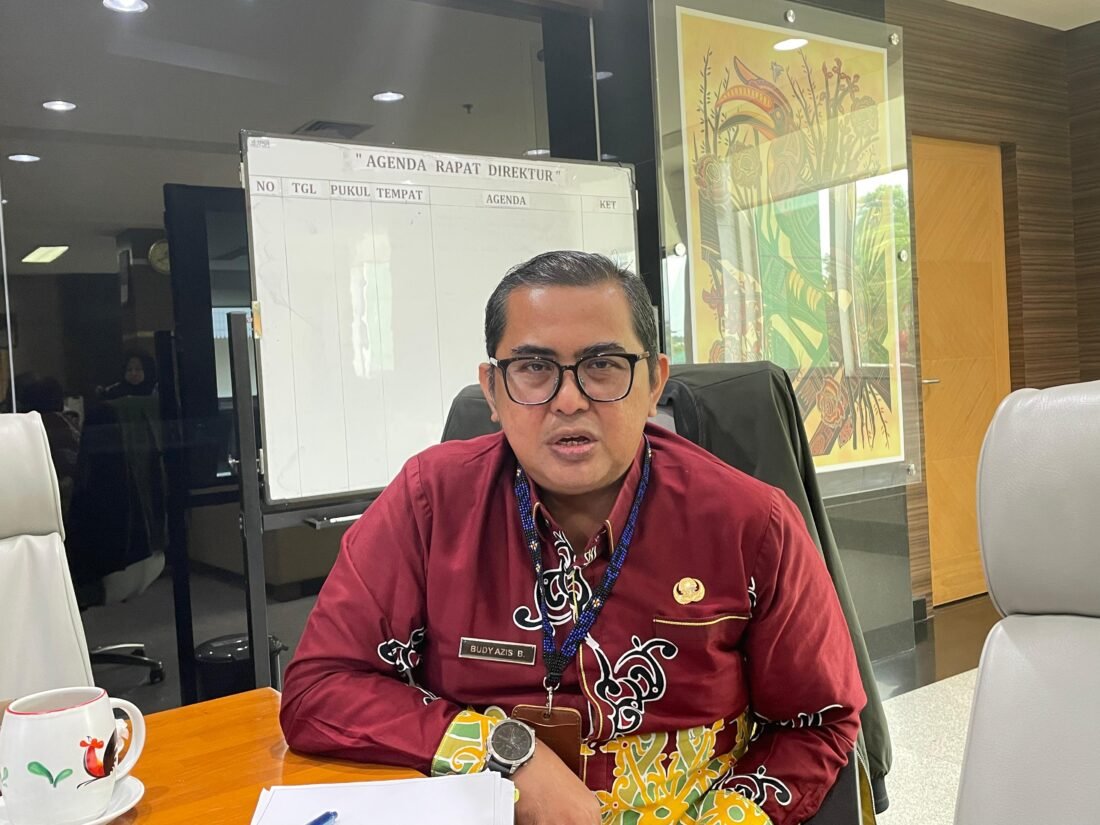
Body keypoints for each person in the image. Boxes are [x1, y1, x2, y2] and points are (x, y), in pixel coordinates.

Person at [280, 251, 866, 825]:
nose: (568, 400)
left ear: (654, 382)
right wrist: (507, 753)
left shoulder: (752, 523)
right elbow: (319, 688)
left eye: (603, 364)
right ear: (492, 390)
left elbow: (819, 720)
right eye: (534, 367)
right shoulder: (428, 503)